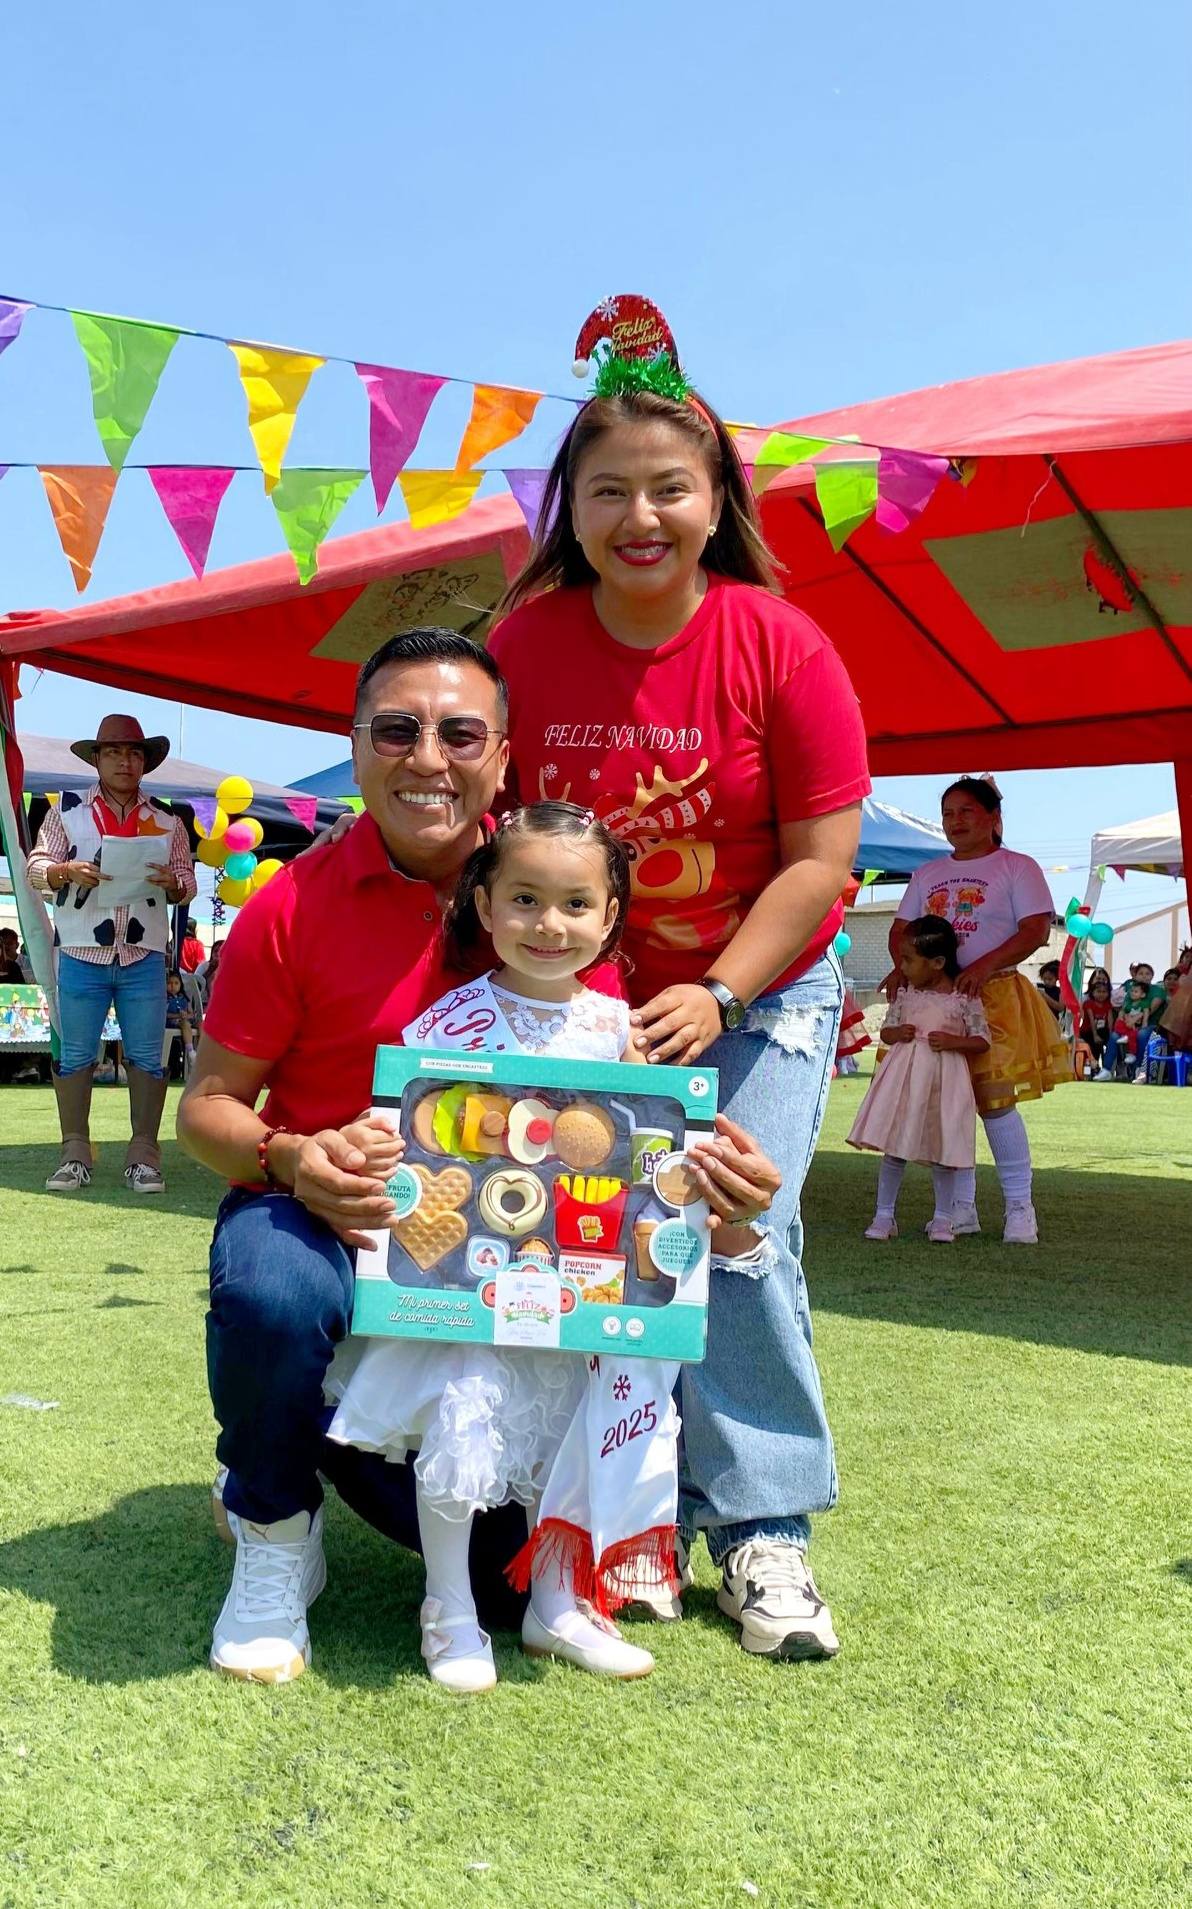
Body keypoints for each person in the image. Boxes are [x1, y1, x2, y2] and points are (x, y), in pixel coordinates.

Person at [178, 628, 780, 1686]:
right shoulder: (291, 904)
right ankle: (273, 1526)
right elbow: (206, 1108)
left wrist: (717, 1191)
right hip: (331, 1219)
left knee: (515, 1582)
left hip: (511, 1275)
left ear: (502, 757)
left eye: (460, 734)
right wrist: (290, 1155)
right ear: (356, 746)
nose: (427, 758)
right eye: (396, 730)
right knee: (273, 1289)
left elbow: (631, 1131)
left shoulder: (555, 880)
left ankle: (494, 1569)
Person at [485, 297, 868, 1660]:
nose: (639, 516)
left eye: (668, 488)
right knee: (579, 1235)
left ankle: (765, 1529)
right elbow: (480, 821)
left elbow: (823, 863)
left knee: (732, 1217)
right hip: (583, 1003)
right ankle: (622, 1523)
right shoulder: (525, 640)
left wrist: (723, 994)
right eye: (608, 491)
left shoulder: (782, 642)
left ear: (716, 502)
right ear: (570, 509)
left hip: (762, 991)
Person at [328, 802, 734, 1690]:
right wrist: (375, 1141)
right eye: (525, 898)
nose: (550, 923)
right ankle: (448, 1604)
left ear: (611, 916)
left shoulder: (623, 1032)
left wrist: (691, 1175)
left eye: (576, 904)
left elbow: (653, 1153)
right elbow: (411, 1124)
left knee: (571, 1440)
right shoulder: (451, 1023)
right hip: (466, 1288)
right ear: (484, 905)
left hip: (584, 1290)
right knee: (462, 1424)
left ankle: (559, 1603)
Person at [888, 777, 1068, 1245]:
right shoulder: (927, 873)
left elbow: (1035, 930)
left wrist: (983, 967)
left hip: (996, 998)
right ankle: (958, 1209)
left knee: (996, 1104)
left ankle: (1020, 1210)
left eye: (967, 811)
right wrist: (903, 969)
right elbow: (901, 930)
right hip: (935, 1004)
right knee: (946, 1103)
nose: (956, 821)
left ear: (993, 817)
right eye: (948, 813)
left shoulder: (1017, 866)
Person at [27, 714, 196, 1194]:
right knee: (76, 1055)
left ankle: (144, 1157)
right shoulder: (66, 810)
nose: (126, 761)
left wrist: (175, 883)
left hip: (143, 953)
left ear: (145, 762)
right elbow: (37, 866)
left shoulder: (167, 819)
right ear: (97, 759)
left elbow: (187, 881)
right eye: (115, 752)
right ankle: (73, 1153)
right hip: (82, 950)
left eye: (134, 753)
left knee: (147, 1057)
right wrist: (65, 871)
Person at [848, 918, 990, 1242]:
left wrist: (954, 1041)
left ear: (937, 962)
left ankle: (943, 1218)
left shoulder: (963, 997)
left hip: (945, 1081)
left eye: (908, 960)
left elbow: (982, 1039)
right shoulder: (906, 994)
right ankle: (884, 1215)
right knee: (895, 1147)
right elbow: (886, 1031)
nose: (902, 967)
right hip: (905, 1078)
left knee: (943, 1148)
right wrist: (897, 1032)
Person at [1094, 976, 1153, 1080]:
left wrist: (1141, 1024)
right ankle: (1106, 1070)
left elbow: (1145, 1015)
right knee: (1114, 1034)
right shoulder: (1128, 1002)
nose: (1133, 993)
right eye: (1132, 991)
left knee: (1136, 1034)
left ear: (1143, 994)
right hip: (1126, 1026)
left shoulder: (1145, 1003)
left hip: (1136, 1028)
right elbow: (1122, 1013)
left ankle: (1135, 1061)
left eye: (1136, 992)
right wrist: (1124, 1018)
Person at [164, 970, 197, 1078]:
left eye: (176, 983)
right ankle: (190, 1051)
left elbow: (191, 1013)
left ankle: (197, 1050)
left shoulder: (184, 998)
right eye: (169, 983)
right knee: (185, 1024)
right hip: (170, 1022)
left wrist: (186, 1015)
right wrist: (177, 1015)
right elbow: (163, 1014)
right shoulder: (165, 998)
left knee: (195, 1023)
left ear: (180, 985)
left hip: (184, 1020)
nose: (173, 986)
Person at [1079, 971, 1114, 1068]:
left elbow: (1110, 1020)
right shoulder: (1088, 1004)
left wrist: (1111, 1034)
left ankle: (1108, 1067)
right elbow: (1091, 1020)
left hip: (1101, 1030)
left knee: (1110, 1041)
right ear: (1093, 993)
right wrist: (1095, 1035)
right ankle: (1094, 1066)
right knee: (1095, 1045)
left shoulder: (1107, 1005)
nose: (1101, 994)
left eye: (1104, 992)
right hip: (1089, 1031)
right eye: (1098, 992)